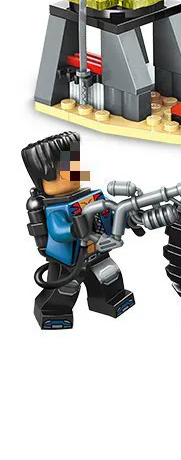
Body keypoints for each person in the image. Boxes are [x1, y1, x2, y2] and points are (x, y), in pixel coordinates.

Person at [22, 132, 134, 330]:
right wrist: (74, 229)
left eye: (75, 164)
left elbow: (111, 215)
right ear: (45, 178)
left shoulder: (94, 197)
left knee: (109, 276)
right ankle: (54, 312)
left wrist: (128, 218)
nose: (76, 172)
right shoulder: (55, 208)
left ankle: (111, 300)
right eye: (66, 169)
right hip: (69, 262)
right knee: (66, 288)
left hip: (98, 252)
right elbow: (57, 232)